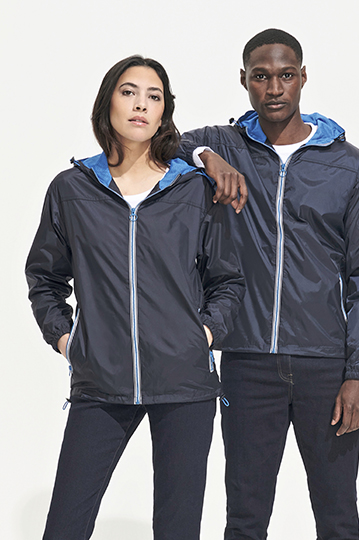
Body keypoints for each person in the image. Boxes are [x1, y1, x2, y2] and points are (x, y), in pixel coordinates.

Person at [177, 29, 359, 540]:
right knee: (245, 518)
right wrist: (207, 156)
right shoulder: (227, 144)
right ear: (244, 81)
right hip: (247, 363)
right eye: (261, 76)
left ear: (303, 77)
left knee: (338, 516)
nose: (274, 88)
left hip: (326, 366)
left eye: (286, 75)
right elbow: (164, 142)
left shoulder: (348, 164)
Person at [25, 54, 245, 540]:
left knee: (177, 529)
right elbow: (44, 277)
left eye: (153, 96)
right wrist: (67, 341)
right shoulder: (71, 190)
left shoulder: (194, 190)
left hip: (185, 386)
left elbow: (227, 280)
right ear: (108, 102)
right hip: (100, 384)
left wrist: (203, 335)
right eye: (129, 92)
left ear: (165, 112)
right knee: (65, 526)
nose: (140, 104)